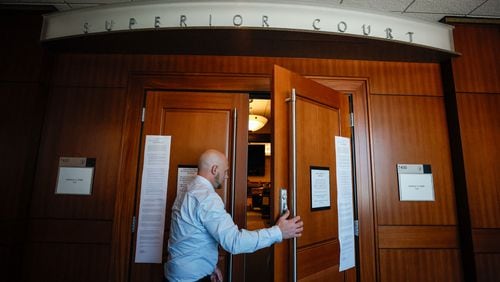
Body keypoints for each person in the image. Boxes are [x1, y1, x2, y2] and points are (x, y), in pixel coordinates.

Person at [164, 149, 304, 282]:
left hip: (177, 273)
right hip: (192, 278)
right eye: (225, 171)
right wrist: (278, 232)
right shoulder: (207, 197)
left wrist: (210, 266)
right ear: (214, 169)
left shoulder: (186, 190)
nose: (227, 176)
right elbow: (234, 242)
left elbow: (191, 236)